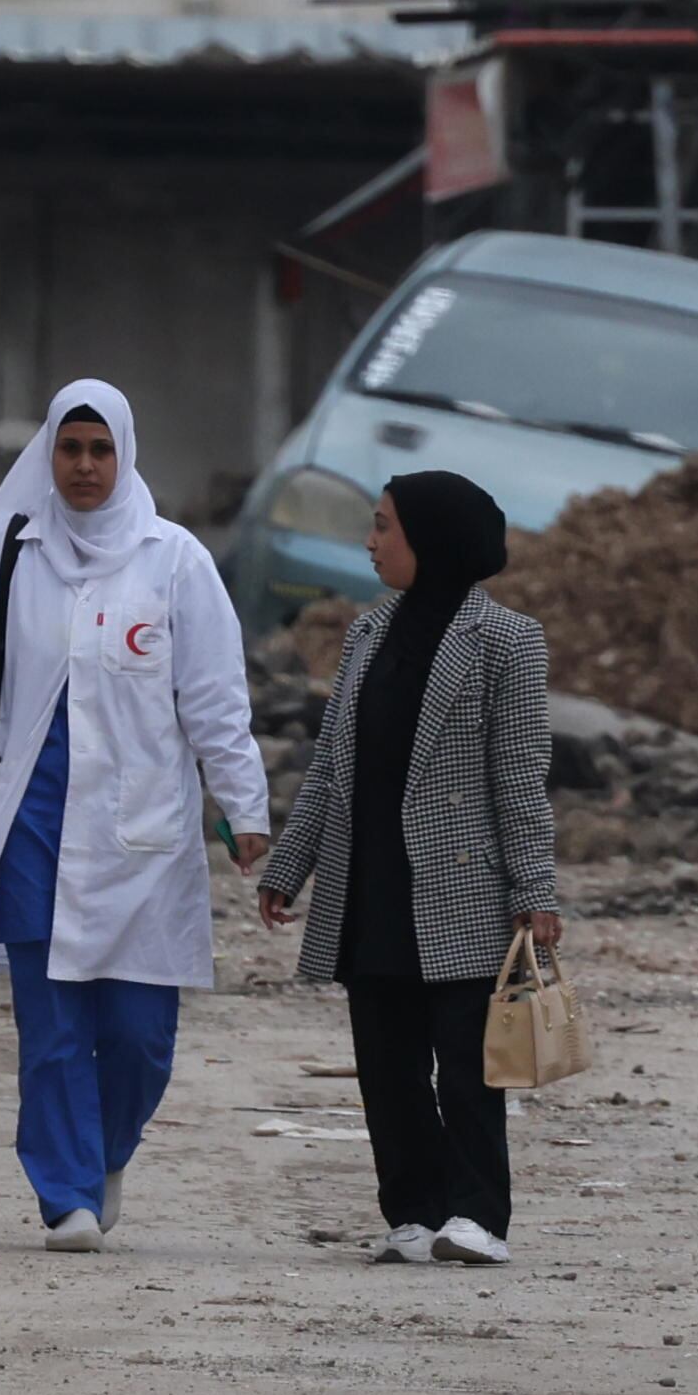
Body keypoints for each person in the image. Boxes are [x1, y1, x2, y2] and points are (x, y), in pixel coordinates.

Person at [0, 380, 267, 1252]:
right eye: (70, 450)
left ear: (125, 453)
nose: (85, 467)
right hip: (32, 822)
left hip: (142, 833)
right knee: (51, 1023)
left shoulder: (175, 561)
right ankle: (66, 1193)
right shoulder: (10, 554)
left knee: (138, 1036)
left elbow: (214, 701)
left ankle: (103, 1153)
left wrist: (246, 808)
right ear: (48, 455)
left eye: (100, 450)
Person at [256, 471, 558, 1268]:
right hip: (372, 882)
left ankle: (478, 1215)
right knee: (387, 1067)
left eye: (384, 526)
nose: (370, 540)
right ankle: (413, 1213)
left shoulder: (508, 642)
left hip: (462, 887)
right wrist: (291, 865)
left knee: (465, 1065)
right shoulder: (365, 633)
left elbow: (520, 774)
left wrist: (534, 890)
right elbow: (331, 765)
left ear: (432, 538)